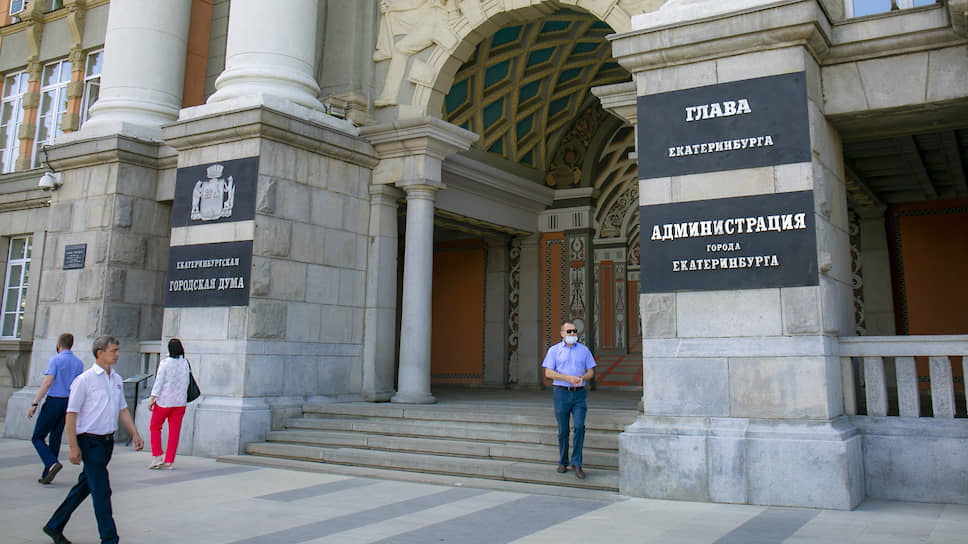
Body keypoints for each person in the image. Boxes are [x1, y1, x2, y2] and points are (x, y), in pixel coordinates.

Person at [43, 335, 144, 544]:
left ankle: (54, 525)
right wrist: (73, 447)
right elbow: (71, 414)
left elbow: (122, 408)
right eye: (113, 351)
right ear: (100, 353)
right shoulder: (84, 380)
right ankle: (109, 539)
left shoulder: (115, 379)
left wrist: (134, 432)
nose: (117, 354)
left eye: (117, 350)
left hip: (107, 442)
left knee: (85, 486)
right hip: (90, 442)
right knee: (102, 491)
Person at [541, 322, 596, 480]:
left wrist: (582, 378)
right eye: (569, 331)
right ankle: (563, 461)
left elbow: (591, 371)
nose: (572, 333)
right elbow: (548, 373)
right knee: (563, 430)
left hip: (579, 394)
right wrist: (567, 378)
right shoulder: (554, 351)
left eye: (574, 331)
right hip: (561, 393)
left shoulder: (584, 350)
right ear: (562, 333)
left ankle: (577, 463)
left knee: (579, 426)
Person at [28, 333, 84, 485]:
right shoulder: (78, 363)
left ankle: (51, 462)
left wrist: (35, 403)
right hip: (68, 402)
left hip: (54, 400)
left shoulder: (56, 360)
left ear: (59, 345)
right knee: (55, 436)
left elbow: (47, 382)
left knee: (38, 436)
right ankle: (48, 472)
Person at [147, 338, 190, 469]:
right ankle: (170, 460)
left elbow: (159, 382)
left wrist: (152, 398)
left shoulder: (165, 363)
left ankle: (157, 456)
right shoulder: (185, 363)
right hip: (180, 402)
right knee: (174, 432)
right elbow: (187, 382)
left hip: (164, 401)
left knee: (155, 426)